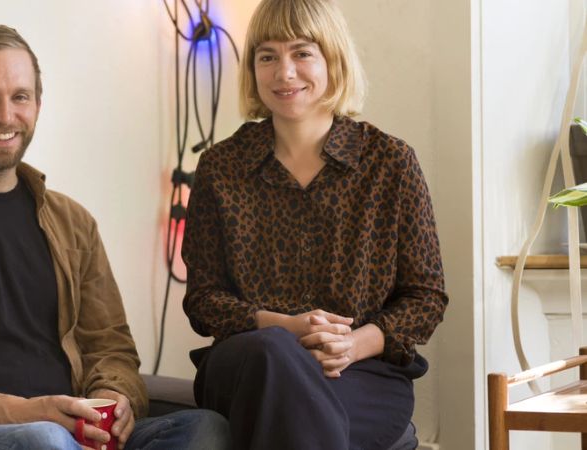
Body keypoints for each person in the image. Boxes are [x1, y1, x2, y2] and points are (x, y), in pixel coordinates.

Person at [0, 23, 229, 450]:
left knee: (205, 429)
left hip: (79, 435)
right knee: (44, 441)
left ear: (37, 105)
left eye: (20, 97)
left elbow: (110, 347)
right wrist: (32, 412)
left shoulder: (74, 223)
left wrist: (115, 397)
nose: (5, 116)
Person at [181, 0, 448, 449]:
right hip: (248, 365)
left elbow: (426, 297)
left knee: (296, 411)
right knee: (275, 354)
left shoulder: (391, 163)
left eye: (302, 53)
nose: (284, 73)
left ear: (333, 60)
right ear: (253, 69)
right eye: (267, 56)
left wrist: (353, 344)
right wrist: (284, 328)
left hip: (363, 373)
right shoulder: (220, 167)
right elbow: (204, 300)